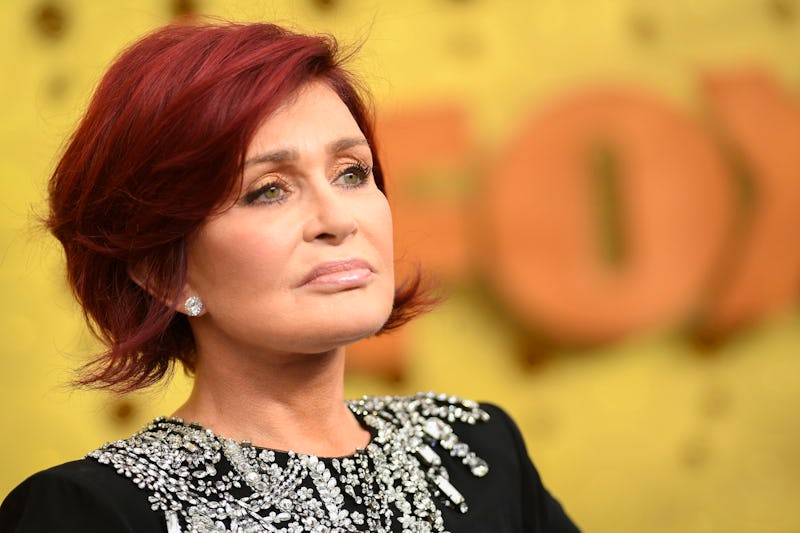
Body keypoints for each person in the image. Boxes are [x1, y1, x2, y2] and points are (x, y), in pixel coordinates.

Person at [0, 21, 579, 533]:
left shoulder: (478, 449)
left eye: (352, 174)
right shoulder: (92, 511)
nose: (336, 219)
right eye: (268, 190)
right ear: (160, 270)